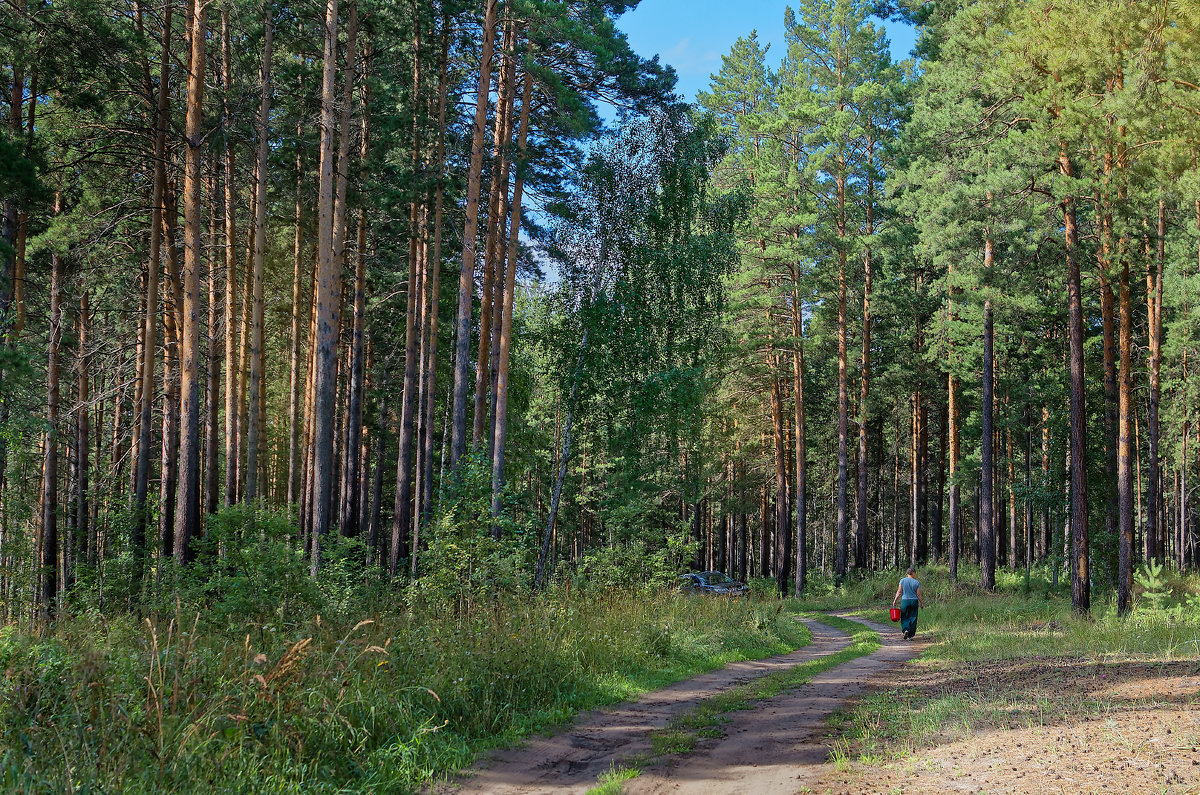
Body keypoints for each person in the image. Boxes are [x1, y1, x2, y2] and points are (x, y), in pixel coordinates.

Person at [892, 567, 923, 640]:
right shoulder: (916, 582)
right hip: (914, 601)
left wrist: (895, 600)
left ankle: (906, 629)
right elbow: (918, 594)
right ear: (913, 573)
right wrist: (921, 603)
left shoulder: (902, 581)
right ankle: (911, 635)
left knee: (904, 616)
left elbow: (899, 592)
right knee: (913, 617)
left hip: (905, 601)